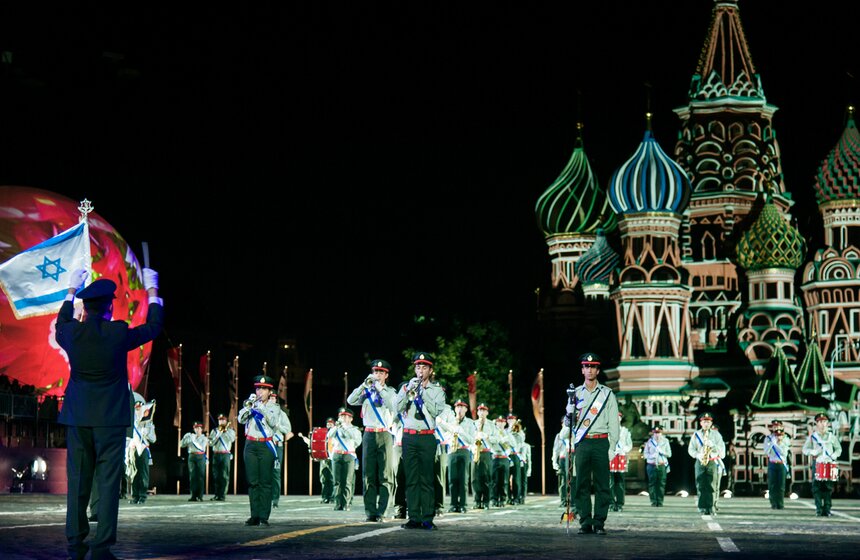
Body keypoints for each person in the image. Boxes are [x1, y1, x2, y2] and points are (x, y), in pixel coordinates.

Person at [57, 267, 163, 560]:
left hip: (78, 418)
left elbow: (61, 321)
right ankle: (101, 548)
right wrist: (153, 292)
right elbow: (153, 327)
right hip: (111, 421)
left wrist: (70, 290)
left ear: (84, 308)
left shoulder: (71, 332)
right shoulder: (117, 332)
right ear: (110, 306)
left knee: (78, 483)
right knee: (107, 483)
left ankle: (75, 545)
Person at [564, 352, 619, 535]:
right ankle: (585, 521)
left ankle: (599, 522)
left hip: (601, 442)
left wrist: (613, 446)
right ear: (582, 370)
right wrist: (569, 412)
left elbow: (613, 422)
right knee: (582, 484)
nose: (589, 370)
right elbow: (568, 422)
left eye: (593, 366)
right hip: (583, 443)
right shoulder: (575, 393)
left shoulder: (607, 394)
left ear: (597, 369)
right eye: (586, 367)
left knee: (603, 484)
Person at [395, 351, 446, 530]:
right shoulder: (407, 387)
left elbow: (435, 411)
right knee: (411, 478)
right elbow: (397, 407)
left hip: (426, 437)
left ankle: (427, 518)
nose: (420, 370)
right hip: (409, 437)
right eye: (418, 367)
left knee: (426, 478)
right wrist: (407, 390)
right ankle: (414, 517)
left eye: (424, 367)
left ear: (430, 370)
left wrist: (422, 394)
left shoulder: (437, 390)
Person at [347, 359, 397, 522]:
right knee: (368, 474)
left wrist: (379, 389)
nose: (377, 375)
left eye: (381, 372)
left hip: (385, 434)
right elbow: (351, 401)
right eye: (375, 372)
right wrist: (364, 385)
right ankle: (370, 511)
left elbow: (392, 405)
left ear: (386, 375)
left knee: (385, 475)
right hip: (369, 434)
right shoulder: (366, 391)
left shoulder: (390, 391)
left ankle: (382, 511)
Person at [238, 375, 282, 526]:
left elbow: (273, 422)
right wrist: (248, 407)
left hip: (265, 446)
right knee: (253, 482)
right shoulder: (252, 404)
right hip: (250, 445)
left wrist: (261, 408)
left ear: (269, 392)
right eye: (258, 388)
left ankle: (264, 516)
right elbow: (241, 420)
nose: (260, 391)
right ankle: (254, 515)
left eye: (263, 389)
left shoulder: (274, 407)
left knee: (265, 482)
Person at [438, 398, 475, 513]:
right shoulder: (451, 421)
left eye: (462, 407)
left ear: (466, 409)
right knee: (452, 479)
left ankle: (463, 504)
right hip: (452, 451)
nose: (459, 409)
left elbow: (471, 439)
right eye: (457, 407)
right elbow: (444, 435)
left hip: (464, 451)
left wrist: (461, 431)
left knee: (463, 478)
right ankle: (453, 504)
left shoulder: (469, 422)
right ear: (454, 409)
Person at [802, 413, 841, 517]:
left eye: (824, 422)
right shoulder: (813, 437)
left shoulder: (832, 437)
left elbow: (838, 448)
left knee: (828, 487)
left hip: (828, 463)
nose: (823, 424)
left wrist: (834, 455)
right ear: (817, 424)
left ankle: (827, 509)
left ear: (827, 423)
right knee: (816, 488)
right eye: (820, 422)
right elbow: (805, 449)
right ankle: (819, 509)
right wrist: (813, 452)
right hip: (818, 463)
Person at [687, 411, 725, 516]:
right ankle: (702, 507)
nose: (706, 424)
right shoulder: (696, 435)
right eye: (704, 421)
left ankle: (711, 507)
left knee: (711, 485)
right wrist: (698, 455)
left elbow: (722, 451)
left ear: (711, 423)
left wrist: (713, 446)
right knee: (700, 485)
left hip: (712, 462)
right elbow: (691, 449)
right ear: (701, 423)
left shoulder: (716, 435)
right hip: (700, 461)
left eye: (708, 422)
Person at [328, 407, 362, 511]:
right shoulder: (336, 428)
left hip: (348, 455)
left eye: (346, 416)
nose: (343, 418)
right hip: (337, 455)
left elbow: (357, 441)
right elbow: (329, 436)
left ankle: (346, 503)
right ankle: (338, 503)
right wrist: (336, 427)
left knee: (347, 481)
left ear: (351, 418)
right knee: (337, 481)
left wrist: (346, 428)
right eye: (342, 416)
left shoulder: (354, 429)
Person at [127, 393, 156, 506]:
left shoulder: (148, 424)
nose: (138, 409)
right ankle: (135, 497)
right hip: (133, 449)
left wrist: (147, 433)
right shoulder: (131, 422)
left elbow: (153, 439)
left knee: (143, 474)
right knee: (134, 474)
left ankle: (142, 496)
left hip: (143, 449)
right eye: (136, 407)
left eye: (140, 407)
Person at [269, 393, 294, 509]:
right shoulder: (261, 412)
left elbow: (288, 429)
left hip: (276, 445)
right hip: (264, 445)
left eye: (274, 398)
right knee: (264, 473)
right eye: (270, 398)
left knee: (275, 473)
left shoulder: (281, 414)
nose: (272, 400)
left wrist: (278, 427)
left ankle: (275, 499)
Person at [471, 403, 496, 510]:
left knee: (486, 477)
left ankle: (486, 501)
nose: (481, 412)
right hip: (475, 451)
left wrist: (487, 437)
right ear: (477, 412)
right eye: (480, 410)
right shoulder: (472, 424)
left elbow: (497, 439)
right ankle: (477, 501)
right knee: (475, 478)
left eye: (484, 410)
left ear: (487, 412)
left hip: (486, 452)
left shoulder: (491, 425)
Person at [764, 420, 791, 510]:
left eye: (778, 426)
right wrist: (772, 443)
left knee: (781, 485)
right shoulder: (768, 438)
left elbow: (784, 452)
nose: (776, 428)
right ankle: (773, 503)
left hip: (781, 463)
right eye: (774, 426)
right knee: (772, 485)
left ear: (781, 427)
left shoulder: (786, 438)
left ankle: (780, 503)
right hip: (772, 463)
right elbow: (766, 451)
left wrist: (778, 443)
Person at [208, 413, 236, 501]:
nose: (221, 421)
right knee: (216, 475)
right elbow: (210, 443)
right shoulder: (214, 431)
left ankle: (222, 495)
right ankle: (216, 494)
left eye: (223, 420)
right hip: (216, 454)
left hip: (225, 454)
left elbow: (232, 440)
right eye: (220, 420)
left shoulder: (230, 430)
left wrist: (225, 431)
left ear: (226, 421)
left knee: (224, 475)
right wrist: (218, 435)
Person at [609, 411, 633, 512]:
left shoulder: (625, 431)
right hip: (611, 456)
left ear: (620, 419)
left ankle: (619, 503)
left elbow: (629, 445)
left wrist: (623, 449)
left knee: (620, 482)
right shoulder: (608, 431)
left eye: (618, 417)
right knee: (610, 482)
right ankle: (610, 503)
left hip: (621, 457)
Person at [643, 426, 671, 507]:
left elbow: (669, 454)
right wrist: (651, 455)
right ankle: (653, 501)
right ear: (653, 433)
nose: (657, 435)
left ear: (661, 433)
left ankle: (660, 501)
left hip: (661, 465)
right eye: (655, 433)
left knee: (661, 484)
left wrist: (662, 451)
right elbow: (645, 454)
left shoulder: (665, 441)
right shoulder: (649, 442)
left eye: (658, 433)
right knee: (652, 484)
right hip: (651, 465)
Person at [180, 421, 208, 501]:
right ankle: (193, 495)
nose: (197, 430)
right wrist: (185, 438)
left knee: (200, 476)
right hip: (191, 456)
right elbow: (181, 445)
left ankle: (200, 496)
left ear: (201, 429)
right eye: (196, 428)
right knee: (192, 476)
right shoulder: (191, 436)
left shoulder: (204, 438)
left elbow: (201, 448)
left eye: (199, 428)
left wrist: (193, 440)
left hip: (200, 456)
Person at [490, 415, 514, 507]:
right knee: (494, 480)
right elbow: (490, 441)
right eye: (498, 422)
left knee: (504, 480)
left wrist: (507, 440)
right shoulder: (493, 433)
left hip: (504, 458)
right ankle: (494, 499)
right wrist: (499, 440)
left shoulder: (508, 433)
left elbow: (514, 444)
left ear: (505, 423)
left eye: (502, 422)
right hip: (495, 457)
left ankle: (503, 499)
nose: (500, 424)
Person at [552, 417, 575, 511]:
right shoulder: (560, 435)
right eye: (564, 423)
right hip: (562, 458)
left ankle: (573, 500)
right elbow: (555, 450)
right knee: (563, 480)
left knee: (572, 479)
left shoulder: (574, 431)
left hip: (573, 455)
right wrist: (554, 461)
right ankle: (563, 500)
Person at [506, 413, 525, 505]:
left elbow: (522, 442)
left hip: (516, 455)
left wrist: (517, 432)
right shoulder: (505, 431)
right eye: (509, 419)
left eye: (512, 419)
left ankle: (516, 498)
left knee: (516, 478)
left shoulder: (519, 431)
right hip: (507, 455)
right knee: (506, 477)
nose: (511, 421)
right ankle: (508, 497)